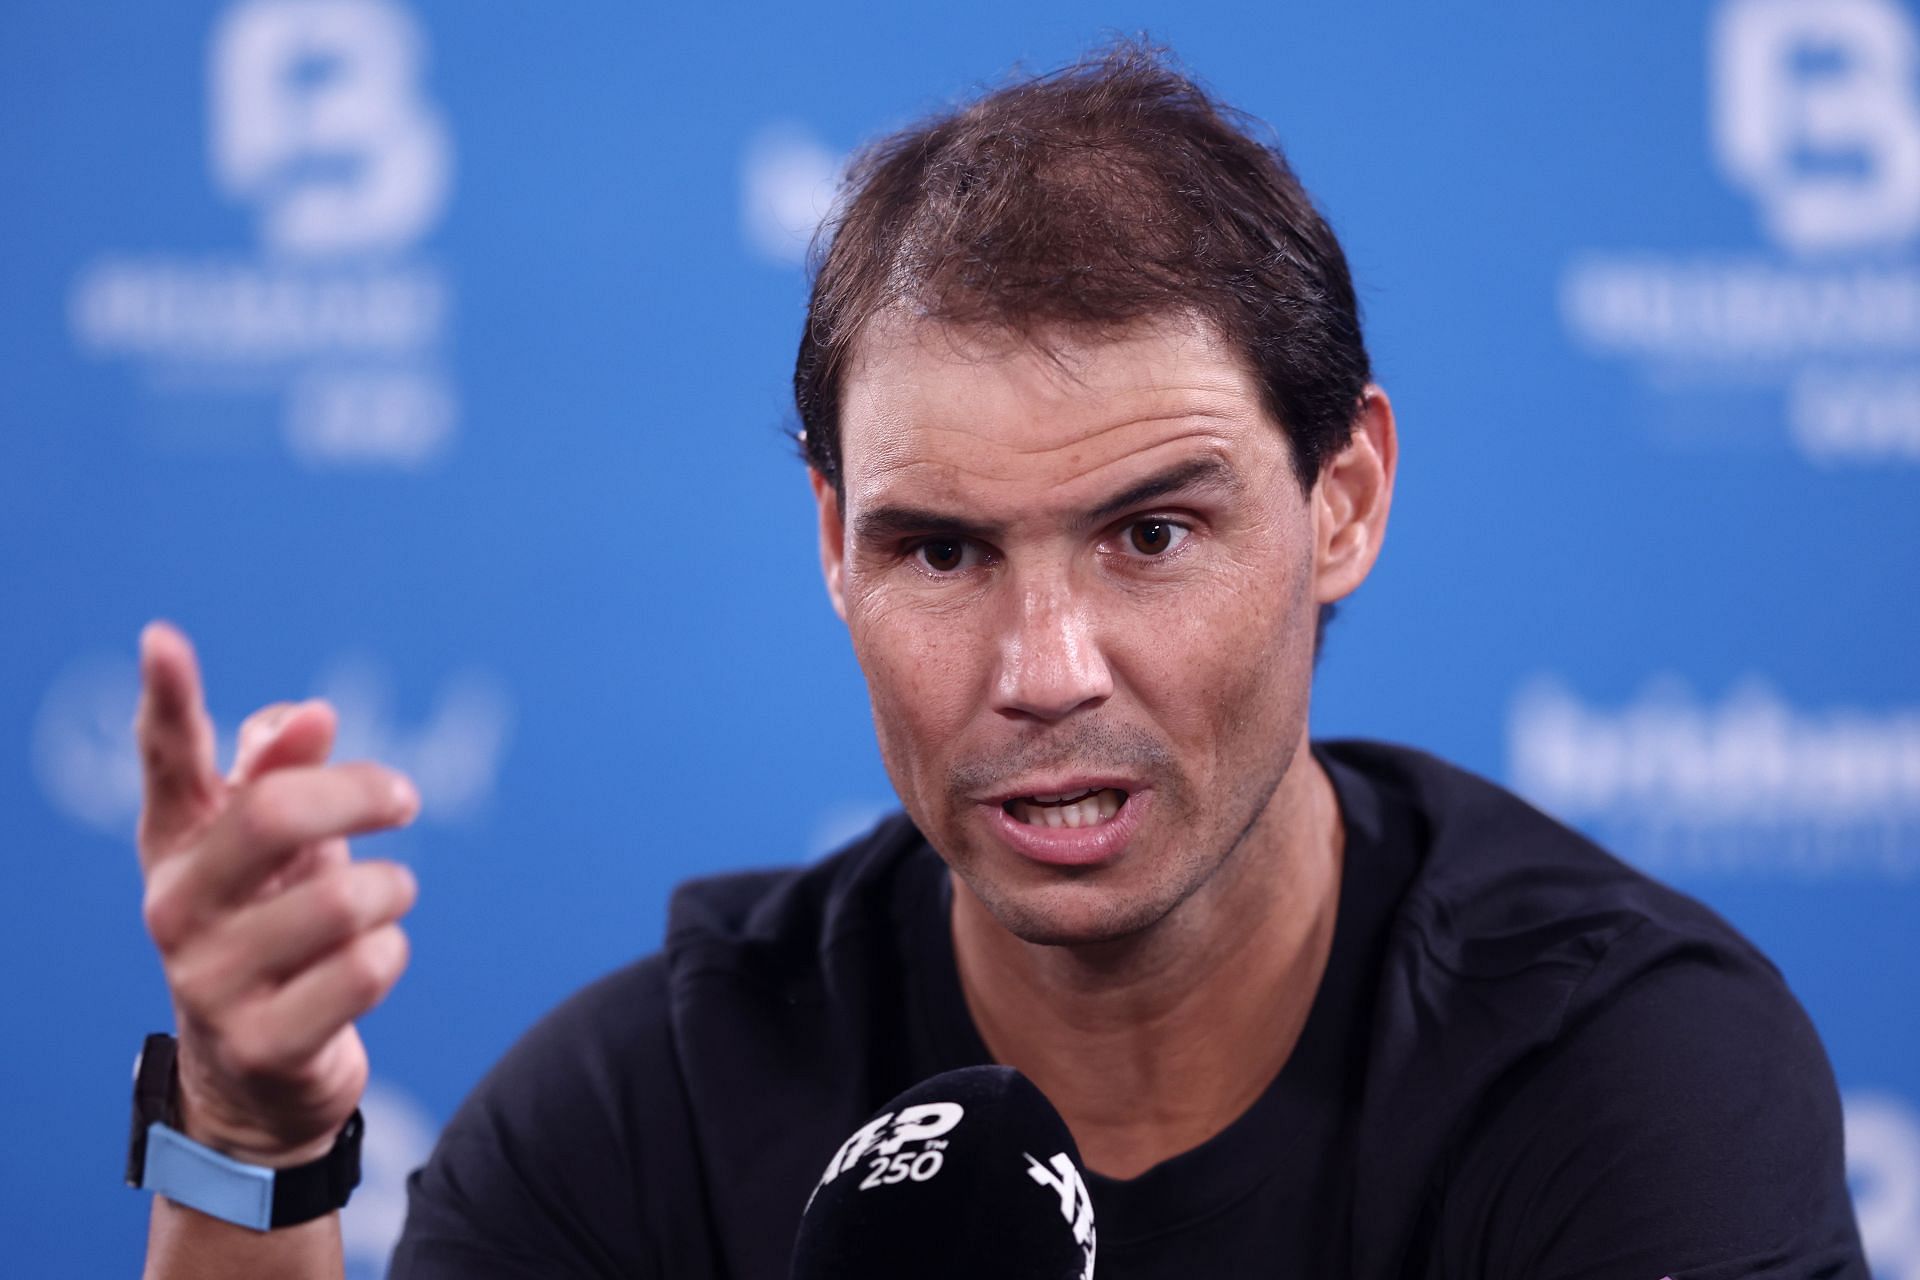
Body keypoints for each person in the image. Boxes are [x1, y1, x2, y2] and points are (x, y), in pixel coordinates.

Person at [131, 47, 1867, 1278]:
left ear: (1343, 500)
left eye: (1153, 535)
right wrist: (250, 1138)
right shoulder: (645, 1110)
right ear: (833, 547)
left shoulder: (1625, 1082)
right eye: (943, 551)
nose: (1045, 673)